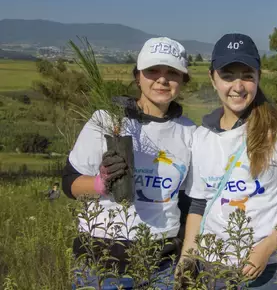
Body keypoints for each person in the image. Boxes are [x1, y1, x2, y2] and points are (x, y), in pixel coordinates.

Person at [179, 33, 277, 289]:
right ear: (212, 78)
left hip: (270, 272)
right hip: (213, 268)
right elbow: (198, 205)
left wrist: (266, 249)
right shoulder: (201, 137)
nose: (238, 86)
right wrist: (188, 258)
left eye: (247, 76)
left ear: (258, 77)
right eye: (227, 76)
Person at [62, 37, 196, 290]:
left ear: (183, 80)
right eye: (152, 71)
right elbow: (69, 183)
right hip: (100, 264)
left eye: (172, 73)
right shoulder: (106, 120)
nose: (162, 80)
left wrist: (187, 254)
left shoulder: (188, 131)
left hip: (161, 267)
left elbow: (188, 200)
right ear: (138, 77)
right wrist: (100, 184)